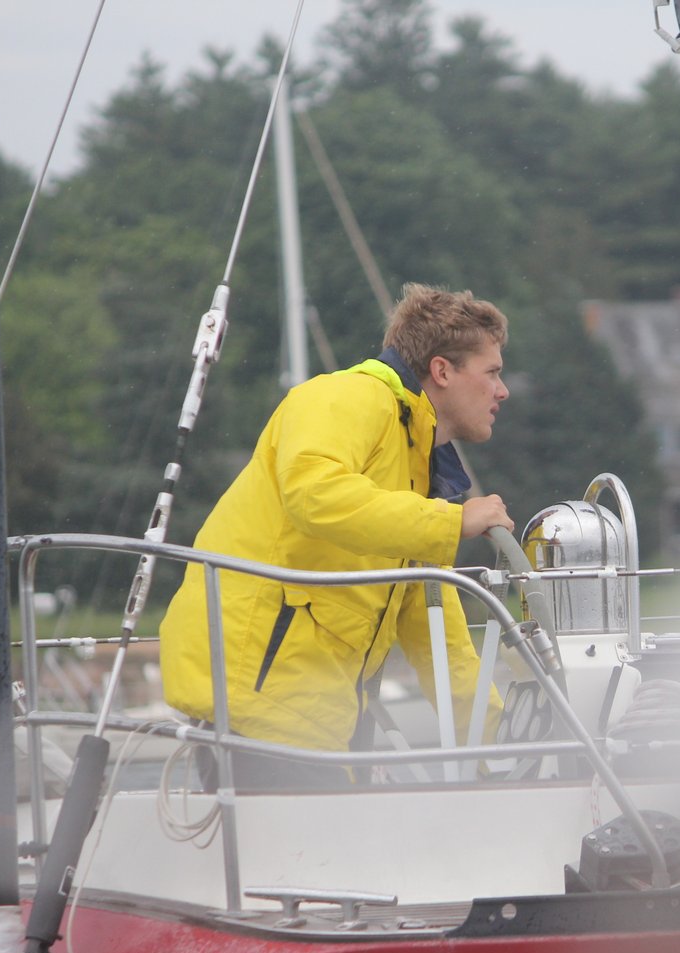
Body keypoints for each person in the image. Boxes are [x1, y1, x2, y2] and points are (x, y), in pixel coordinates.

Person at [158, 282, 514, 788]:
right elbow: (314, 495)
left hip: (316, 725)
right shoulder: (348, 395)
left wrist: (504, 756)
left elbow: (441, 644)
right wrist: (454, 521)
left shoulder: (416, 475)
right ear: (442, 371)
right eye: (492, 372)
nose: (502, 390)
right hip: (261, 707)